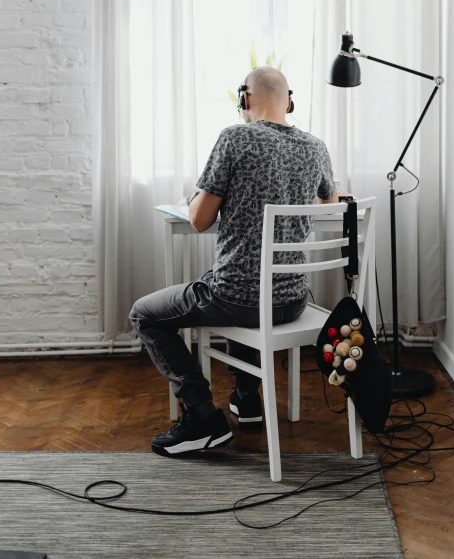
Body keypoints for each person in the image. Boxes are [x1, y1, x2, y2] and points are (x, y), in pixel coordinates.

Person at [129, 66, 339, 456]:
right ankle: (246, 397)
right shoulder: (315, 146)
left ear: (245, 98)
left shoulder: (235, 137)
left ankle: (203, 417)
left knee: (145, 314)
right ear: (289, 101)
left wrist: (199, 189)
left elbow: (199, 220)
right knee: (233, 282)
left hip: (240, 299)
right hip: (292, 300)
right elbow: (329, 205)